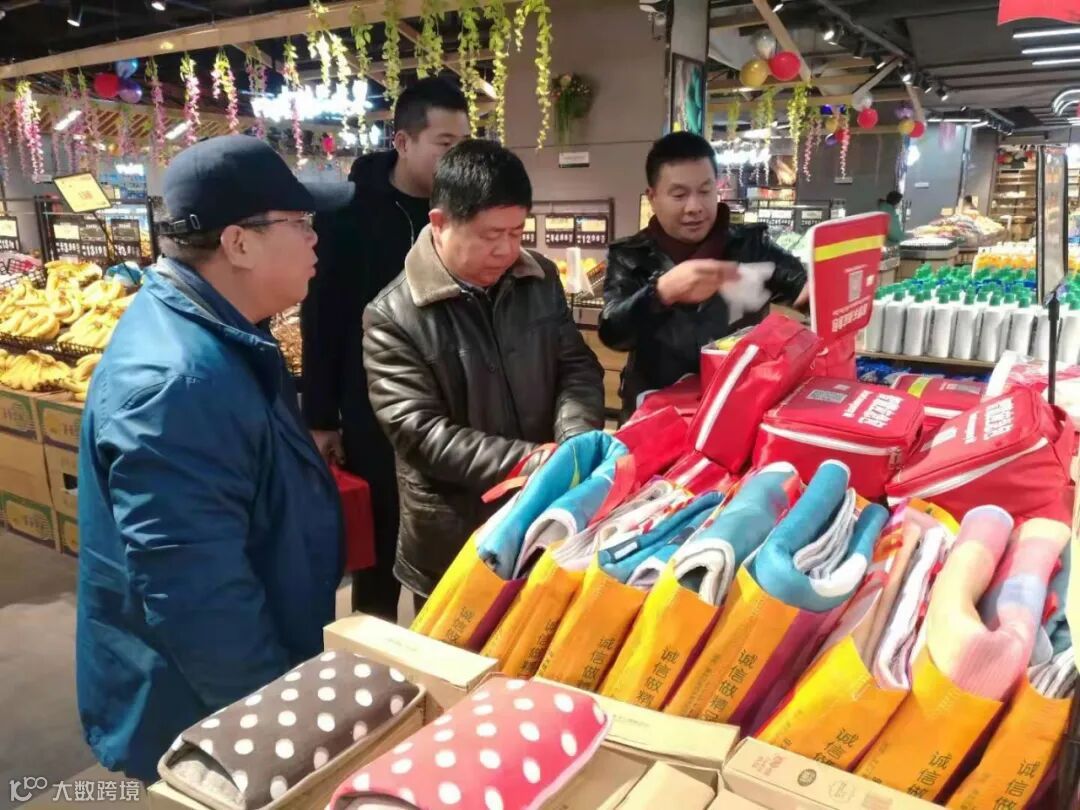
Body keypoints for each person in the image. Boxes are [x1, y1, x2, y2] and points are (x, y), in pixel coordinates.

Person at [76, 135, 351, 781]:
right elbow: (199, 598)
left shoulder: (222, 335)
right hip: (201, 719)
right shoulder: (177, 384)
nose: (316, 239)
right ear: (239, 243)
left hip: (225, 688)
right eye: (300, 223)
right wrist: (276, 727)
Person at [363, 139, 605, 606]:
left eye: (517, 232)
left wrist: (575, 439)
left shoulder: (538, 279)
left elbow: (575, 366)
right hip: (456, 539)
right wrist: (532, 463)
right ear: (439, 223)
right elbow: (419, 432)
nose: (506, 250)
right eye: (490, 235)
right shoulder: (393, 315)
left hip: (544, 523)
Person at [301, 77, 471, 621]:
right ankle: (372, 659)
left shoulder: (461, 211)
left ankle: (434, 652)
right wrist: (321, 416)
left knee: (441, 551)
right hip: (369, 405)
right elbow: (322, 317)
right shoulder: (348, 214)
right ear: (403, 141)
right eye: (444, 144)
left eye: (463, 144)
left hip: (447, 408)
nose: (456, 157)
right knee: (376, 549)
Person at [599, 131, 808, 418]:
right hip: (655, 414)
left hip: (738, 409)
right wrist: (660, 292)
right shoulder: (630, 255)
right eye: (679, 195)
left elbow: (801, 288)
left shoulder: (750, 246)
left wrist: (827, 286)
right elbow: (613, 333)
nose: (695, 207)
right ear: (653, 197)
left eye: (705, 191)